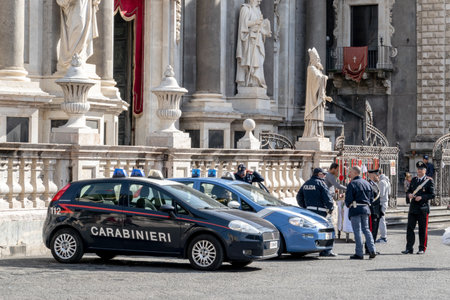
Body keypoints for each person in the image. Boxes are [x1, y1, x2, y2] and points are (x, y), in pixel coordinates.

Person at [297, 168, 337, 257]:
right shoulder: (321, 183)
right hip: (321, 211)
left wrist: (304, 206)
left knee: (312, 230)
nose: (325, 176)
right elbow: (327, 197)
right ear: (319, 174)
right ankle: (326, 251)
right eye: (323, 174)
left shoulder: (306, 183)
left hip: (309, 211)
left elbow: (299, 196)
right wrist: (331, 208)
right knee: (327, 231)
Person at [57, 0, 101, 72]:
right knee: (77, 26)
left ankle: (79, 56)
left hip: (85, 5)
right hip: (73, 7)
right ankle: (71, 57)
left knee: (84, 26)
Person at [236, 0, 271, 89]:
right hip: (250, 39)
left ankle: (256, 81)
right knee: (252, 60)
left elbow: (260, 26)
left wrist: (265, 31)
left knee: (258, 61)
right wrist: (255, 22)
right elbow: (243, 24)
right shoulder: (245, 9)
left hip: (258, 39)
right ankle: (250, 82)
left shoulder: (258, 10)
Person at [402, 161, 435, 255]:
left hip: (423, 208)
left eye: (421, 169)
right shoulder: (414, 180)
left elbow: (432, 194)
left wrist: (422, 197)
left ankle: (422, 248)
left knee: (422, 229)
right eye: (418, 169)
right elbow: (408, 191)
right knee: (410, 228)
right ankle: (409, 248)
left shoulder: (429, 181)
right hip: (413, 208)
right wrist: (409, 195)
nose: (419, 171)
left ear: (425, 170)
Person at [345, 166, 377, 259]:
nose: (349, 174)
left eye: (350, 172)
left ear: (355, 173)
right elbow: (372, 198)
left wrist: (348, 204)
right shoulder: (367, 183)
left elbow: (349, 199)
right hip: (366, 208)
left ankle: (359, 253)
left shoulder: (352, 184)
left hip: (355, 208)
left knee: (357, 231)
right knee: (366, 230)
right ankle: (372, 250)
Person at [302, 48, 333, 138]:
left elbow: (320, 79)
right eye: (317, 60)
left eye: (319, 60)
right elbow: (318, 78)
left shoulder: (317, 70)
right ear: (313, 60)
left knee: (318, 116)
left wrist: (325, 97)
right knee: (314, 116)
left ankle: (318, 133)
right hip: (313, 100)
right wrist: (324, 77)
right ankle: (312, 133)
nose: (319, 61)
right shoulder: (311, 68)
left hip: (318, 99)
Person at [324, 163, 346, 238]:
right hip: (328, 199)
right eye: (336, 170)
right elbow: (337, 185)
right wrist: (348, 188)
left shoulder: (328, 175)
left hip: (330, 197)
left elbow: (332, 186)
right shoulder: (330, 175)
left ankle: (331, 233)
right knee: (329, 217)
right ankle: (331, 234)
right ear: (333, 169)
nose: (337, 172)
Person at [366, 169, 381, 250]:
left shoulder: (375, 185)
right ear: (372, 175)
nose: (378, 176)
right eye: (377, 175)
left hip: (376, 211)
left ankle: (372, 247)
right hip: (372, 211)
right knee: (371, 231)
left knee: (375, 231)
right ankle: (369, 248)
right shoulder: (369, 185)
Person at [376, 169, 391, 243]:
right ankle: (383, 236)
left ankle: (383, 237)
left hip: (382, 202)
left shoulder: (382, 182)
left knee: (381, 220)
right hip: (385, 202)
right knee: (382, 220)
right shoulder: (386, 180)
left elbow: (381, 194)